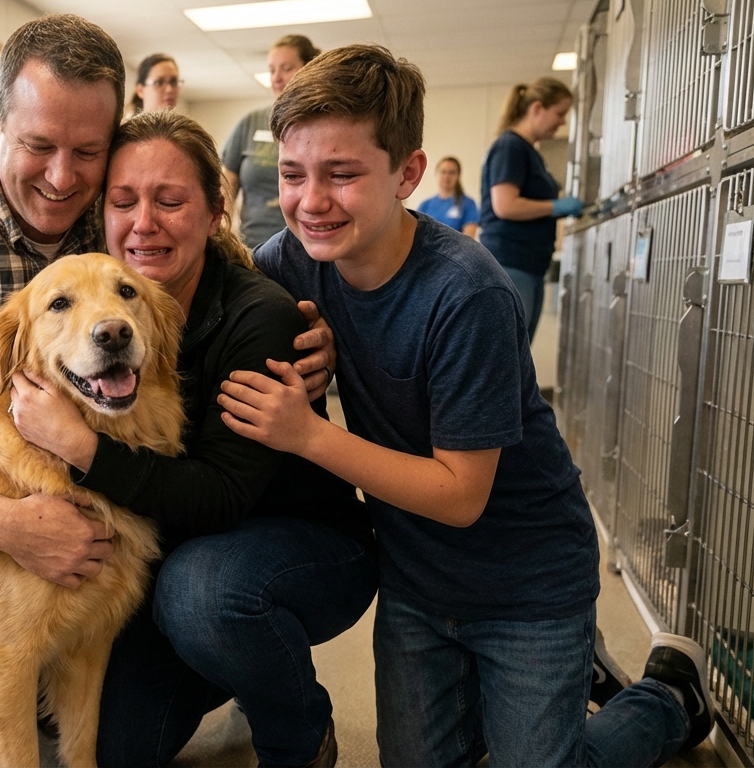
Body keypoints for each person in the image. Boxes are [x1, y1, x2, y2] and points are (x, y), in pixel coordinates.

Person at [0, 15, 337, 767]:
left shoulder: (114, 206)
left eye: (87, 152)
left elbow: (204, 241)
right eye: (38, 146)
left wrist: (305, 328)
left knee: (105, 733)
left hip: (88, 501)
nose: (62, 177)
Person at [220, 44, 713, 767]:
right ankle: (519, 705)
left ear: (407, 175)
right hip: (419, 584)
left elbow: (459, 496)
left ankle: (668, 698)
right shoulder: (288, 260)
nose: (310, 200)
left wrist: (308, 434)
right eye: (293, 174)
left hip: (529, 580)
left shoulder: (466, 292)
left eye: (343, 174)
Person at [10, 109, 375, 767]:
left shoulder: (260, 317)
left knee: (202, 594)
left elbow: (220, 497)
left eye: (170, 201)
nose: (143, 222)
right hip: (168, 550)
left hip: (284, 548)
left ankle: (297, 734)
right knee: (110, 742)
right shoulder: (89, 298)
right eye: (124, 202)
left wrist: (82, 448)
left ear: (214, 213)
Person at [479, 77, 584, 341]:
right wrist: (555, 206)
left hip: (530, 264)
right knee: (509, 351)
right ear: (537, 108)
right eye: (559, 113)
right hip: (511, 261)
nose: (562, 122)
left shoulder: (530, 152)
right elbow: (505, 205)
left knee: (520, 350)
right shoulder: (510, 146)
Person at [221, 34, 318, 249]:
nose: (276, 78)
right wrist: (224, 236)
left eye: (286, 68)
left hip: (305, 247)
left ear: (308, 68)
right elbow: (226, 183)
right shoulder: (251, 122)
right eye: (272, 69)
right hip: (253, 247)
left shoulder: (320, 126)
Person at [417, 155, 479, 237]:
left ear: (458, 176)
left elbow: (469, 238)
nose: (447, 176)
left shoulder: (468, 204)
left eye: (451, 172)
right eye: (443, 172)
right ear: (437, 174)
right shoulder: (425, 205)